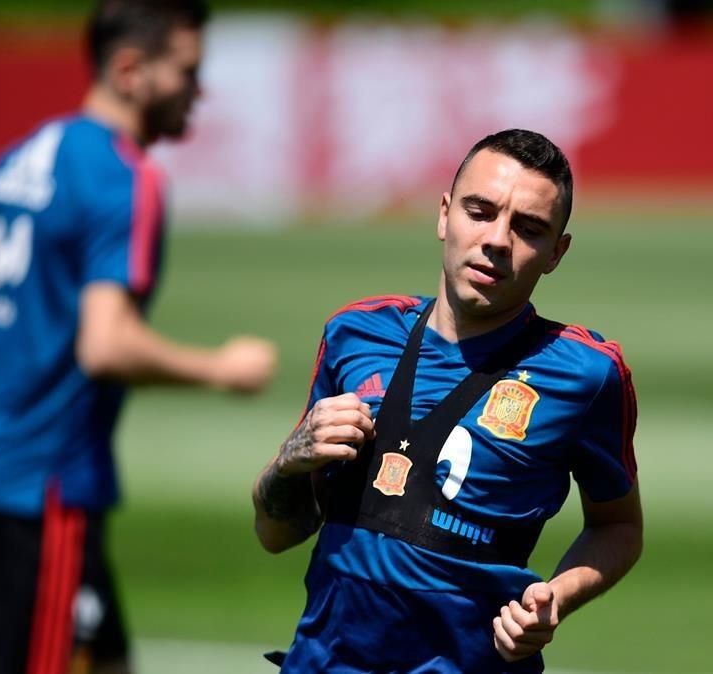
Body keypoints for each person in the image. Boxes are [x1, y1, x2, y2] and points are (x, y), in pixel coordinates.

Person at [0, 1, 276, 672]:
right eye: (187, 70)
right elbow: (106, 345)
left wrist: (8, 327)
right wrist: (221, 370)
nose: (199, 89)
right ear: (131, 70)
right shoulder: (126, 178)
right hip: (43, 486)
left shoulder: (29, 153)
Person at [252, 129, 643, 673]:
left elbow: (618, 526)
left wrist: (556, 596)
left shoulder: (587, 374)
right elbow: (278, 533)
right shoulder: (355, 332)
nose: (498, 240)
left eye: (528, 228)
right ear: (444, 215)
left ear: (557, 253)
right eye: (479, 212)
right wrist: (290, 461)